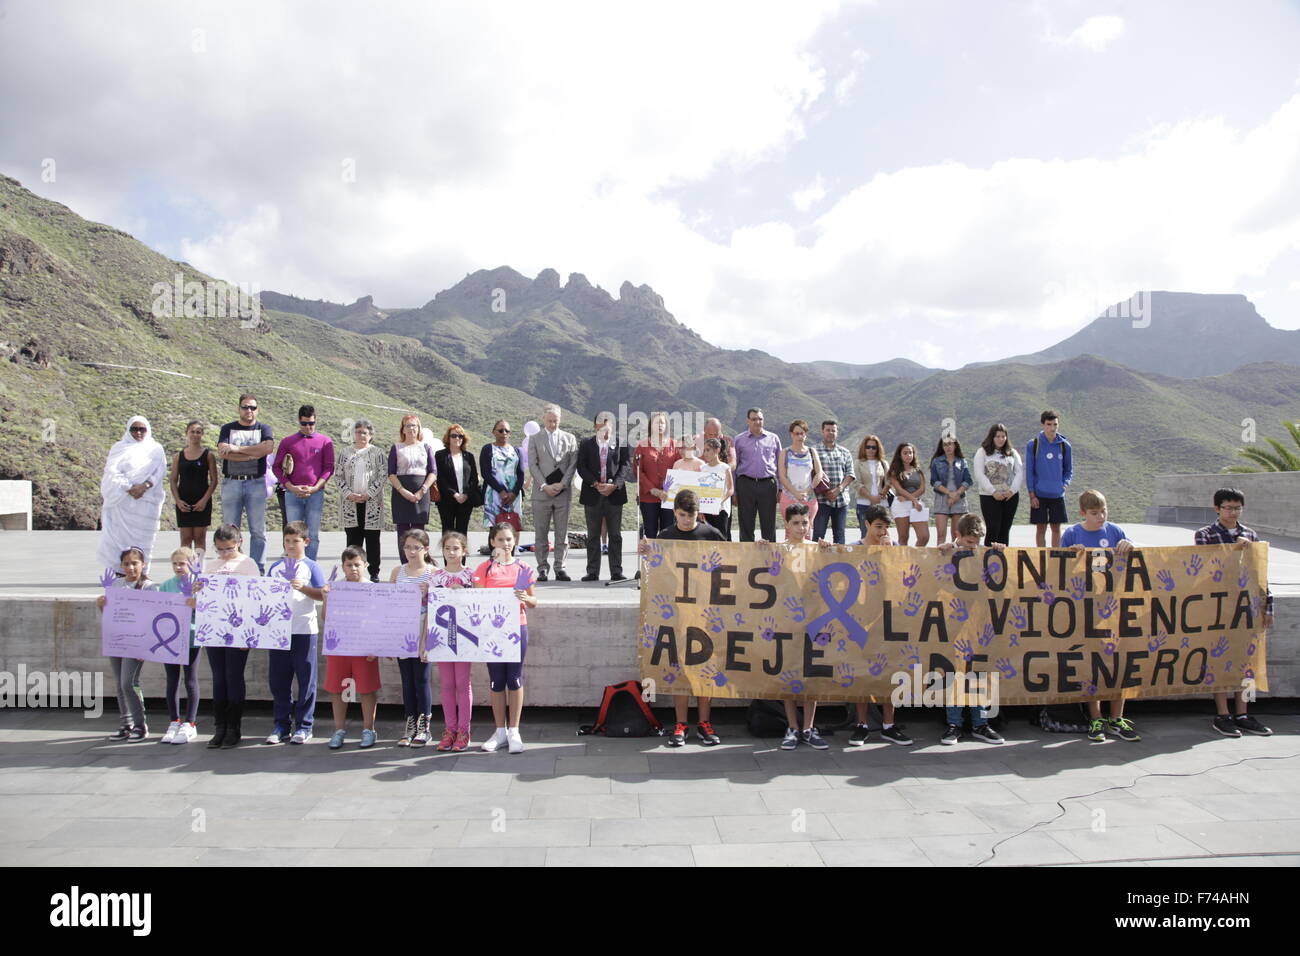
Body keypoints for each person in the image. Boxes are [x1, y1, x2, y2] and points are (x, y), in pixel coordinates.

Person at [639, 489, 727, 746]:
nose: (686, 521)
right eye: (681, 515)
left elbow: (738, 558)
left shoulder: (711, 534)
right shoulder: (666, 536)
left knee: (705, 670)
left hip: (706, 614)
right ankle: (680, 724)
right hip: (676, 614)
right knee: (680, 670)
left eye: (690, 516)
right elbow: (655, 568)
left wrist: (759, 548)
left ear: (698, 513)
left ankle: (704, 723)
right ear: (674, 512)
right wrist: (646, 550)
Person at [1060, 490, 1139, 743]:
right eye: (1094, 513)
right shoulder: (1072, 533)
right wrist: (1072, 554)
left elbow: (1134, 560)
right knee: (1091, 664)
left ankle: (1116, 718)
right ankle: (1095, 717)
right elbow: (1057, 567)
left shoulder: (1115, 531)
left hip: (1114, 606)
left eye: (1103, 511)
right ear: (1083, 513)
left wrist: (1130, 546)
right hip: (1087, 606)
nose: (1100, 517)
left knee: (1120, 664)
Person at [1194, 489, 1274, 737]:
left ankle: (1244, 712)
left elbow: (1261, 573)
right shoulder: (1205, 535)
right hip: (1218, 607)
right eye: (1228, 507)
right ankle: (1222, 713)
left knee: (1247, 663)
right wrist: (1233, 552)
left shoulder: (1250, 535)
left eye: (1237, 508)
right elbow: (1202, 569)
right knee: (1218, 660)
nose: (1233, 512)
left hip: (1247, 607)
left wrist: (1267, 606)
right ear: (1217, 508)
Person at [846, 504, 914, 747]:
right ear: (867, 525)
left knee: (890, 671)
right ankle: (861, 724)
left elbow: (904, 577)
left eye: (886, 527)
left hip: (887, 618)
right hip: (861, 619)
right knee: (862, 671)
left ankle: (889, 724)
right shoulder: (855, 548)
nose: (882, 532)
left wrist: (890, 555)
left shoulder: (893, 548)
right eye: (878, 527)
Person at [936, 514, 1006, 744]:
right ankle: (954, 724)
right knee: (955, 672)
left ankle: (980, 723)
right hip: (954, 622)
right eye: (968, 542)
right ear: (957, 535)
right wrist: (944, 550)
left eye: (977, 542)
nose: (973, 547)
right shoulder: (949, 552)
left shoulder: (984, 553)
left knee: (979, 671)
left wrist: (998, 550)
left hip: (980, 622)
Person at [475, 522, 539, 754]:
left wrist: (524, 597)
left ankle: (514, 730)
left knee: (514, 679)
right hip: (491, 632)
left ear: (515, 541)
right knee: (496, 681)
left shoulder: (522, 568)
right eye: (500, 540)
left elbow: (534, 602)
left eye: (509, 540)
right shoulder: (484, 568)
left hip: (516, 628)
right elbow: (476, 600)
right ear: (492, 542)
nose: (505, 544)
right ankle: (499, 731)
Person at [264, 522, 326, 745]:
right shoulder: (275, 567)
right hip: (278, 631)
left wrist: (303, 588)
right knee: (279, 681)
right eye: (287, 541)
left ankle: (305, 725)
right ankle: (281, 724)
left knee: (306, 679)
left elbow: (322, 594)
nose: (291, 545)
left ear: (306, 542)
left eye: (295, 541)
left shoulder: (311, 566)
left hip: (304, 630)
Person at [778, 503, 832, 750]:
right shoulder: (779, 550)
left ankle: (809, 728)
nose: (801, 527)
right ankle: (792, 727)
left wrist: (830, 552)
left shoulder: (817, 550)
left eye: (805, 522)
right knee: (788, 676)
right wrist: (757, 550)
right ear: (787, 525)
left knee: (812, 677)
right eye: (796, 523)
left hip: (814, 621)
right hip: (787, 622)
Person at [202, 524, 259, 748]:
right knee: (218, 678)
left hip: (238, 630)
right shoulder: (211, 565)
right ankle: (220, 726)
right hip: (214, 629)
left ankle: (234, 727)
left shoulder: (247, 564)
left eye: (229, 549)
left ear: (239, 543)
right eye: (220, 550)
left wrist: (248, 634)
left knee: (233, 676)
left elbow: (255, 597)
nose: (225, 554)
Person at [322, 546, 381, 750]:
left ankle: (368, 729)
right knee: (338, 689)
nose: (353, 569)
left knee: (366, 689)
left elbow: (379, 620)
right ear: (343, 567)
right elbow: (326, 618)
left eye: (357, 564)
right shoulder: (336, 588)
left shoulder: (373, 588)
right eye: (349, 565)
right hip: (340, 648)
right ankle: (339, 730)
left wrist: (376, 647)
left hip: (365, 649)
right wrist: (325, 598)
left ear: (365, 565)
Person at [96, 546, 157, 742]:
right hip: (117, 640)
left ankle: (140, 724)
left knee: (128, 682)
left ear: (143, 564)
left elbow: (152, 618)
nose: (130, 568)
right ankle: (126, 724)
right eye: (126, 564)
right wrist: (101, 605)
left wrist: (145, 645)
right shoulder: (116, 584)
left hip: (136, 642)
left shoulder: (149, 587)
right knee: (119, 684)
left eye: (134, 563)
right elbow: (110, 615)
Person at [425, 532, 476, 751]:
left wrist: (463, 593)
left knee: (462, 684)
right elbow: (429, 608)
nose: (451, 552)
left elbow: (479, 607)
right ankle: (449, 729)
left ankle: (464, 731)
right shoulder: (436, 577)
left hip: (464, 638)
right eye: (447, 548)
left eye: (456, 548)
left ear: (464, 551)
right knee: (446, 685)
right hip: (442, 638)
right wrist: (426, 642)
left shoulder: (472, 576)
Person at [97, 416, 167, 572]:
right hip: (122, 500)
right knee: (118, 539)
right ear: (128, 430)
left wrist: (145, 486)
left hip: (146, 501)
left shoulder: (155, 449)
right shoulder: (119, 448)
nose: (138, 433)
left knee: (144, 539)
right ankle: (118, 571)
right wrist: (130, 487)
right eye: (134, 429)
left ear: (147, 430)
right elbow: (111, 472)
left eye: (142, 429)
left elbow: (160, 471)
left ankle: (142, 572)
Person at [215, 394, 275, 572]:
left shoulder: (264, 428)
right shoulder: (228, 429)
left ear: (257, 410)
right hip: (232, 482)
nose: (249, 410)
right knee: (230, 529)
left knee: (257, 530)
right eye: (245, 407)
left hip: (256, 482)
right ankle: (233, 566)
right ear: (238, 408)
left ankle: (256, 568)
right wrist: (252, 454)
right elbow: (223, 452)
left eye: (252, 407)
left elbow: (267, 448)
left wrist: (237, 449)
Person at [390, 528, 437, 746]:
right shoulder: (397, 571)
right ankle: (409, 724)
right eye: (407, 547)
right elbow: (387, 603)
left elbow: (436, 608)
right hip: (401, 630)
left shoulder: (433, 573)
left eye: (415, 547)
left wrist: (426, 640)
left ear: (425, 549)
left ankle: (424, 726)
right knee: (407, 681)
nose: (410, 551)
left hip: (422, 629)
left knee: (422, 679)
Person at [271, 405, 334, 562]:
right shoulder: (288, 442)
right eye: (304, 424)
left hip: (315, 494)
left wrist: (315, 487)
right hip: (292, 494)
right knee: (293, 533)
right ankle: (293, 566)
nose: (308, 427)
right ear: (299, 421)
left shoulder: (325, 441)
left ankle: (310, 567)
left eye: (311, 423)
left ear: (316, 421)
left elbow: (329, 468)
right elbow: (276, 467)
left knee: (312, 534)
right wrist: (290, 486)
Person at [577, 412, 631, 581]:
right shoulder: (586, 444)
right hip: (593, 494)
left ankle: (616, 571)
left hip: (614, 494)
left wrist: (614, 485)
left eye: (608, 428)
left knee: (615, 534)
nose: (605, 432)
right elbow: (581, 466)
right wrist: (595, 483)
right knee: (593, 534)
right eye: (601, 428)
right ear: (595, 427)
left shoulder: (621, 443)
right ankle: (592, 571)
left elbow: (625, 465)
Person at [527, 404, 577, 582]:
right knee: (541, 532)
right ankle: (542, 568)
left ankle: (560, 567)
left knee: (562, 533)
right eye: (549, 421)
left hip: (563, 493)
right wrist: (544, 486)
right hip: (542, 494)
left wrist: (563, 484)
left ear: (560, 420)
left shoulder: (570, 438)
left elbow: (572, 464)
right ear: (543, 419)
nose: (552, 424)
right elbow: (533, 465)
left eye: (555, 421)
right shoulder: (534, 439)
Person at [157, 547, 201, 745]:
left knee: (190, 679)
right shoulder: (166, 585)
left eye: (182, 563)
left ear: (191, 564)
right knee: (172, 679)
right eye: (175, 564)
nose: (178, 567)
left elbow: (208, 612)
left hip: (191, 638)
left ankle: (190, 723)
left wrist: (195, 604)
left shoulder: (198, 585)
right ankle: (173, 721)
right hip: (170, 639)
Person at [334, 419, 386, 582]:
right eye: (358, 432)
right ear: (353, 434)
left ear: (370, 435)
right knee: (353, 540)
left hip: (371, 502)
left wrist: (369, 493)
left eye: (365, 432)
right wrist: (348, 494)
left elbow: (383, 474)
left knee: (372, 539)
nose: (361, 435)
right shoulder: (345, 453)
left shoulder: (377, 453)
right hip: (350, 502)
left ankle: (374, 572)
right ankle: (352, 571)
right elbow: (338, 475)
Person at [388, 414, 438, 563]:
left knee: (418, 531)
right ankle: (405, 566)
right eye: (407, 425)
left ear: (419, 428)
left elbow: (433, 471)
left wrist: (422, 490)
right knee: (403, 532)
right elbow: (391, 473)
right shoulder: (396, 448)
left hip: (421, 495)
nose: (411, 428)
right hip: (400, 494)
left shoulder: (426, 447)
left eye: (414, 425)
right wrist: (403, 491)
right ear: (402, 429)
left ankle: (420, 565)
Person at [169, 421, 218, 560]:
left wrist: (204, 500)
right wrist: (178, 501)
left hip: (202, 502)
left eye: (198, 432)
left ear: (202, 434)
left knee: (199, 538)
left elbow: (214, 480)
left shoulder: (208, 455)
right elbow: (173, 480)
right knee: (185, 538)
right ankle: (186, 569)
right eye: (192, 431)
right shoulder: (179, 456)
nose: (195, 434)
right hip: (183, 502)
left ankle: (198, 568)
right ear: (187, 433)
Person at [1026, 410, 1073, 548]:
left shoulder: (1065, 446)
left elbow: (1069, 470)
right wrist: (1032, 495)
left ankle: (1055, 557)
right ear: (1042, 424)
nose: (1052, 428)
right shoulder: (1034, 445)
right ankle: (1041, 555)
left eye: (1055, 424)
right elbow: (1029, 471)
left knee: (1056, 529)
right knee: (1040, 529)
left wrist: (1063, 485)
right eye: (1049, 424)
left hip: (1057, 494)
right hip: (1039, 494)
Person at [733, 408, 781, 542]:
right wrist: (734, 493)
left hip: (768, 484)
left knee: (769, 524)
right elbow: (734, 467)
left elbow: (780, 466)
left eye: (760, 419)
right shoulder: (739, 440)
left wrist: (781, 488)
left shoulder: (773, 438)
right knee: (746, 524)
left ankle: (771, 559)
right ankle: (748, 559)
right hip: (745, 485)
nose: (757, 422)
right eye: (754, 419)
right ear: (748, 421)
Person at [973, 423, 1023, 547]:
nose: (1000, 439)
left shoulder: (1012, 453)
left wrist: (1012, 491)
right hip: (989, 496)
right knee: (993, 527)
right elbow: (979, 474)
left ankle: (1003, 559)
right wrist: (993, 491)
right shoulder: (982, 452)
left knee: (1005, 528)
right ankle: (988, 559)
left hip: (1010, 496)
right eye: (997, 436)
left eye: (1003, 436)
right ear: (992, 437)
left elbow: (1019, 472)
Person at [634, 410, 680, 541]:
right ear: (650, 426)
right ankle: (651, 561)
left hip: (669, 497)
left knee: (669, 532)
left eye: (662, 422)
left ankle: (667, 561)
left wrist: (667, 490)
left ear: (666, 426)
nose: (659, 425)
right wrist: (652, 490)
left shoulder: (675, 445)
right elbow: (637, 471)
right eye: (656, 422)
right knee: (650, 532)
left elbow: (679, 469)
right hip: (648, 497)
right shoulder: (642, 446)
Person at [813, 420, 854, 545]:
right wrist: (826, 492)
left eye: (833, 430)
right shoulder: (814, 451)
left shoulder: (845, 452)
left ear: (837, 432)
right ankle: (816, 563)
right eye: (828, 430)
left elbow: (850, 474)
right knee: (818, 536)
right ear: (822, 431)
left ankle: (839, 563)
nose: (830, 433)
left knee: (840, 536)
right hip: (821, 501)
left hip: (841, 501)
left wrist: (838, 489)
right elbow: (811, 474)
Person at [435, 424, 481, 535]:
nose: (457, 438)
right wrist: (454, 494)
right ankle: (447, 551)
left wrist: (466, 495)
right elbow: (440, 478)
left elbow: (474, 478)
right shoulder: (440, 455)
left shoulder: (469, 456)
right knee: (448, 529)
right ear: (448, 438)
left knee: (462, 529)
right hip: (447, 499)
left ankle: (462, 552)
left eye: (460, 436)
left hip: (466, 500)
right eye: (454, 436)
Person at [778, 419, 824, 529]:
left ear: (806, 435)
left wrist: (807, 491)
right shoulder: (785, 452)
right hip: (789, 497)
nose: (799, 436)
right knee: (790, 531)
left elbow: (819, 473)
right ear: (791, 435)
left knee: (807, 530)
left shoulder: (812, 452)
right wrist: (796, 494)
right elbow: (782, 477)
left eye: (802, 433)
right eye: (796, 433)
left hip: (809, 498)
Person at [480, 420, 525, 530]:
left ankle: (512, 547)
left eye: (507, 431)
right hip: (494, 494)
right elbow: (485, 473)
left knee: (512, 528)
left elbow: (521, 473)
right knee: (495, 530)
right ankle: (494, 548)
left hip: (513, 496)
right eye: (500, 430)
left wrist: (514, 493)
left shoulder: (517, 451)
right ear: (494, 432)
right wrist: (501, 491)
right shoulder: (487, 449)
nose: (504, 433)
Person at [929, 434, 972, 546]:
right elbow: (934, 481)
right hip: (942, 498)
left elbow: (968, 480)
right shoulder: (936, 461)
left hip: (959, 499)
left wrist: (956, 494)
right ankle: (940, 560)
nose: (948, 447)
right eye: (945, 445)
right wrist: (949, 493)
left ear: (955, 445)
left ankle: (955, 560)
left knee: (956, 535)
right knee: (941, 535)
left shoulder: (962, 461)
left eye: (950, 444)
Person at [888, 442, 930, 546]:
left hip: (916, 505)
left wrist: (911, 500)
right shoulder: (894, 471)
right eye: (905, 453)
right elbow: (900, 490)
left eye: (910, 453)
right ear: (900, 455)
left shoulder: (918, 470)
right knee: (903, 537)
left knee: (924, 537)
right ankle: (903, 561)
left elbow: (922, 489)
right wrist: (913, 500)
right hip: (901, 505)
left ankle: (915, 558)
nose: (908, 455)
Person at [853, 434, 889, 542]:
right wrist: (870, 497)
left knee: (883, 534)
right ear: (864, 448)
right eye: (868, 447)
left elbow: (889, 481)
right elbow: (856, 483)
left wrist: (882, 494)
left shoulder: (883, 463)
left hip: (881, 504)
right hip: (864, 504)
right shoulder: (858, 463)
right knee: (866, 535)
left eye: (874, 447)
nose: (871, 449)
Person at [698, 437, 735, 539]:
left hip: (721, 509)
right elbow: (700, 490)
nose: (705, 453)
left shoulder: (725, 468)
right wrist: (700, 510)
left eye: (708, 450)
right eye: (704, 450)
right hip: (706, 508)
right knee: (707, 537)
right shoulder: (703, 468)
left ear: (717, 450)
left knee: (721, 537)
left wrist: (720, 500)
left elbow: (731, 489)